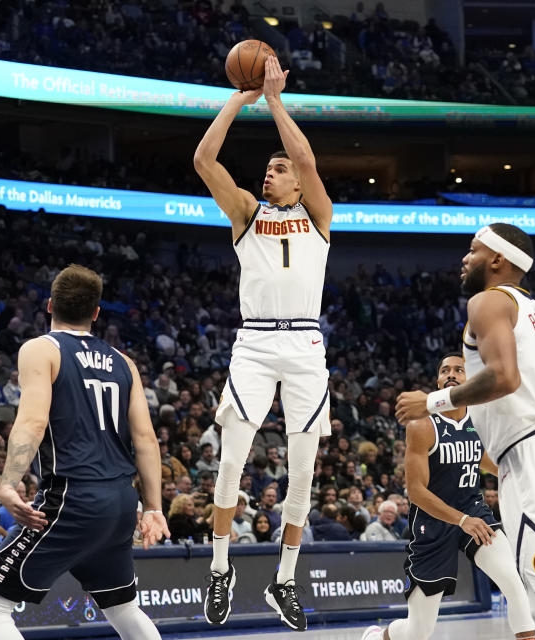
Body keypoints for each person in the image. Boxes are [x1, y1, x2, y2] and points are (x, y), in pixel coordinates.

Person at [396, 224, 535, 640]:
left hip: (532, 460)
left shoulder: (488, 302)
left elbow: (504, 377)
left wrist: (430, 402)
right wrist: (532, 431)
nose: (465, 258)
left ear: (497, 259)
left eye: (472, 249)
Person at [193, 55, 333, 631]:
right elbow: (204, 160)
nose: (271, 172)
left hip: (304, 345)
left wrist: (275, 100)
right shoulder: (247, 212)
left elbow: (304, 156)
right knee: (232, 462)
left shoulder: (319, 213)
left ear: (298, 181)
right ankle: (221, 569)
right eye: (269, 168)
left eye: (279, 168)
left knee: (303, 473)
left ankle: (283, 581)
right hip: (252, 343)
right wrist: (239, 97)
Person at [0, 265, 170, 640]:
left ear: (48, 305)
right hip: (122, 499)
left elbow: (32, 422)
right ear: (96, 312)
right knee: (122, 606)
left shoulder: (42, 349)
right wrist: (153, 507)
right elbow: (146, 439)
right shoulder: (125, 363)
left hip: (74, 496)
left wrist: (8, 482)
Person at [364, 353, 535, 640]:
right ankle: (376, 637)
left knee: (513, 582)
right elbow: (416, 492)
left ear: (471, 380)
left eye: (459, 369)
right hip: (432, 523)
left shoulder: (480, 418)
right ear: (439, 380)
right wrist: (461, 520)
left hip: (474, 511)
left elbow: (482, 459)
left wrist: (518, 469)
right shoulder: (422, 424)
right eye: (445, 370)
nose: (451, 374)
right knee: (418, 631)